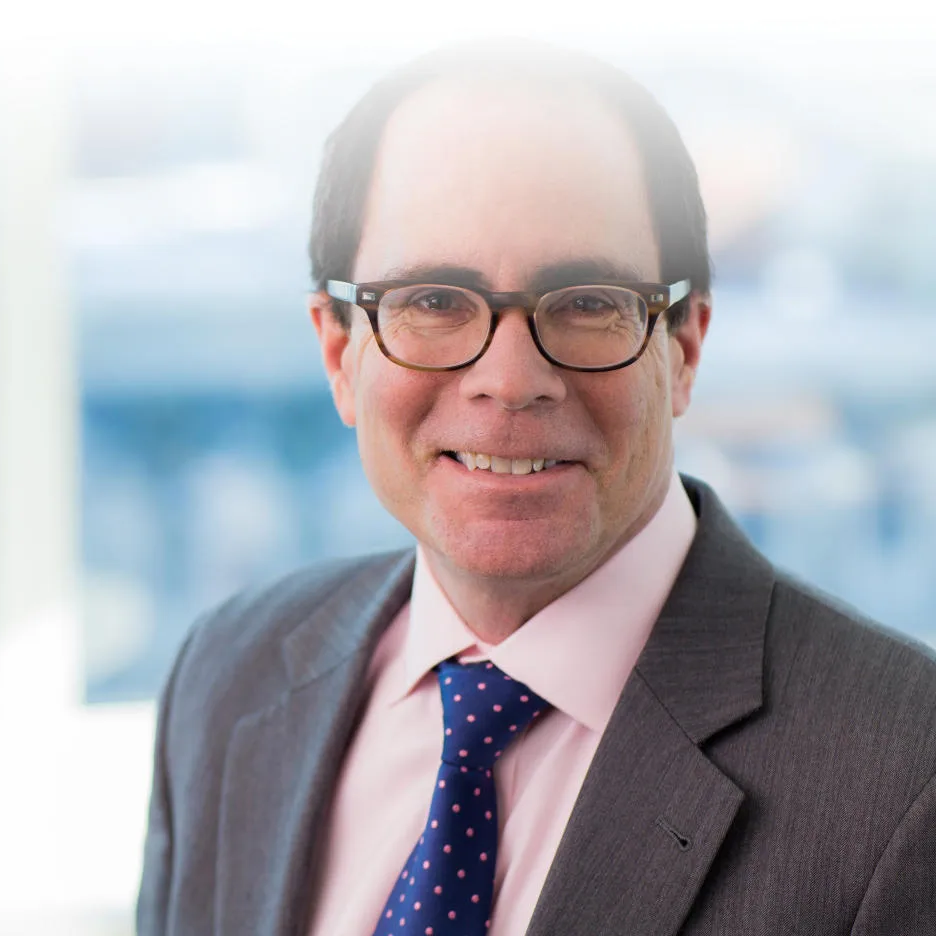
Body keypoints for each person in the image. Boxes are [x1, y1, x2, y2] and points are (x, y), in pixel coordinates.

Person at [136, 40, 936, 936]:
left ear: (683, 348)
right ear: (338, 351)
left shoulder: (908, 780)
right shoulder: (226, 678)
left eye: (588, 302)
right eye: (433, 301)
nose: (510, 381)